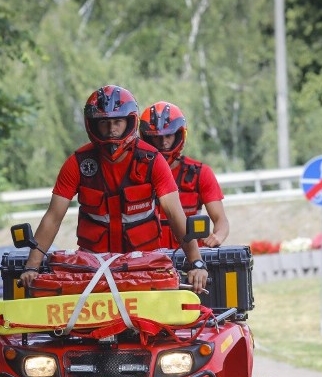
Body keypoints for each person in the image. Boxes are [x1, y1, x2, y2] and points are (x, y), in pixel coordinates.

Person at [19, 85, 209, 293]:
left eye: (117, 121)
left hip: (145, 265)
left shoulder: (152, 160)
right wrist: (32, 266)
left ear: (129, 121)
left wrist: (196, 263)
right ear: (93, 125)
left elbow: (175, 214)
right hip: (91, 268)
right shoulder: (77, 163)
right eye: (104, 122)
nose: (111, 129)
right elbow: (53, 217)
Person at [139, 101, 229, 248]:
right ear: (147, 137)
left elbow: (221, 220)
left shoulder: (200, 173)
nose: (164, 142)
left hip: (191, 261)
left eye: (169, 135)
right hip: (148, 261)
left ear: (179, 134)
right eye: (157, 136)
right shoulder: (134, 173)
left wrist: (218, 236)